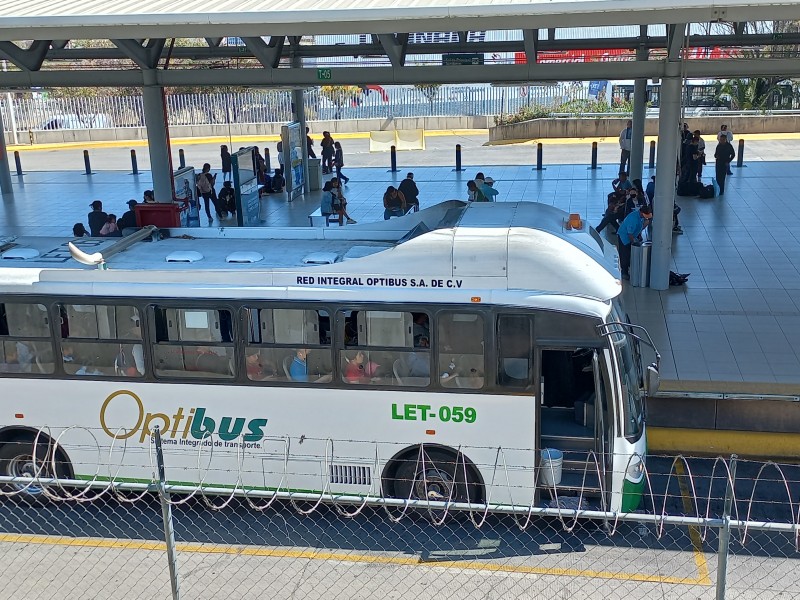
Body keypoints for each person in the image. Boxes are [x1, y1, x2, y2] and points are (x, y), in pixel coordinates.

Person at [616, 205, 653, 280]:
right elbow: (630, 234)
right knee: (624, 254)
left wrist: (640, 232)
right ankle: (624, 272)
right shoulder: (633, 219)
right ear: (641, 212)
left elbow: (639, 227)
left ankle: (631, 268)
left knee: (630, 254)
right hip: (624, 237)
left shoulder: (641, 217)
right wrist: (634, 243)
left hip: (633, 235)